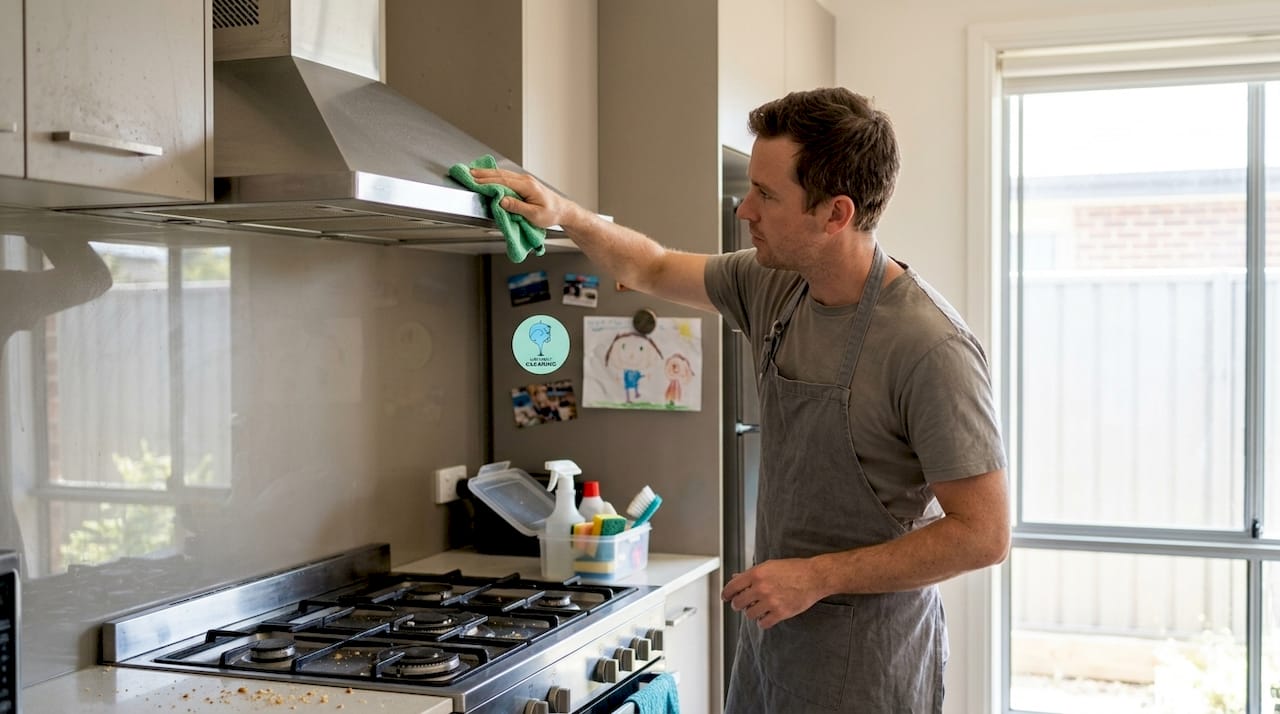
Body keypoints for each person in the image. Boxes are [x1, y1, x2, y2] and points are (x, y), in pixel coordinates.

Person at [470, 87, 1010, 713]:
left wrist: (816, 576)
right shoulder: (775, 285)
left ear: (835, 214)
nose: (745, 210)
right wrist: (566, 212)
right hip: (773, 642)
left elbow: (984, 534)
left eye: (766, 195)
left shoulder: (929, 347)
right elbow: (651, 267)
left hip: (869, 663)